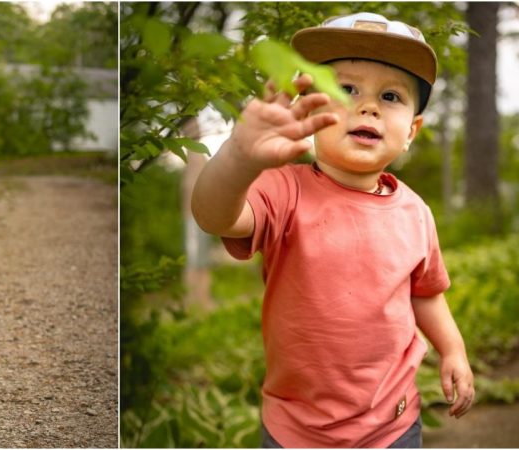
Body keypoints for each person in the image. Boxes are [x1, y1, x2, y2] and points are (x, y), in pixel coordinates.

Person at [191, 12, 474, 448]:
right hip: (296, 429)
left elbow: (425, 293)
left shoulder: (415, 212)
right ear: (310, 106)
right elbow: (215, 217)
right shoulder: (284, 190)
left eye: (392, 96)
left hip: (394, 425)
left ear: (412, 132)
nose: (369, 105)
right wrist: (239, 158)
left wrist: (453, 351)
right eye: (345, 89)